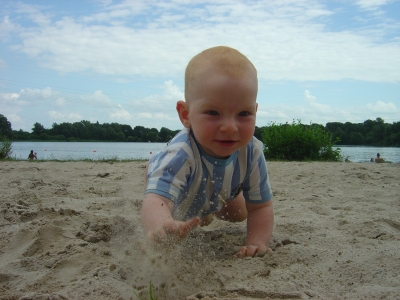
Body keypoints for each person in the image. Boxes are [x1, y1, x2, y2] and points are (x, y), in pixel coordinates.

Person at [141, 46, 274, 258]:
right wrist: (162, 226)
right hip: (177, 190)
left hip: (216, 188)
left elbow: (261, 207)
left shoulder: (252, 152)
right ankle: (154, 167)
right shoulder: (181, 153)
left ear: (255, 111)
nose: (230, 127)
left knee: (241, 213)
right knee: (170, 208)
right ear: (186, 114)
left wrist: (256, 242)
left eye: (243, 113)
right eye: (213, 112)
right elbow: (157, 201)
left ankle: (208, 208)